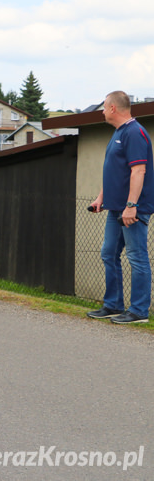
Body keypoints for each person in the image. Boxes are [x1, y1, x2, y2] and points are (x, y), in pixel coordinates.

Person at [87, 91, 153, 324]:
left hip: (131, 210)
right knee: (109, 254)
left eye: (104, 107)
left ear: (113, 108)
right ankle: (113, 305)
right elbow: (115, 171)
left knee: (136, 257)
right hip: (115, 208)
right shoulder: (118, 133)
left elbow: (139, 171)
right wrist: (101, 198)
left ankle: (138, 311)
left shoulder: (134, 133)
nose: (102, 111)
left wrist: (132, 206)